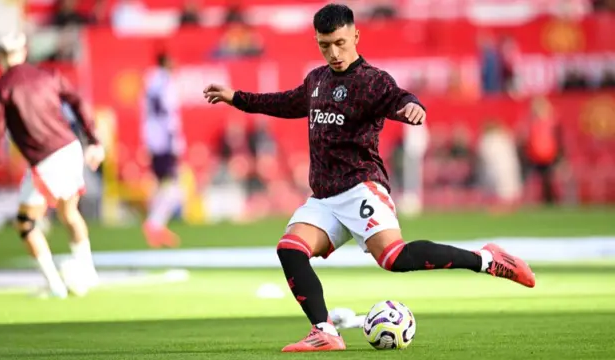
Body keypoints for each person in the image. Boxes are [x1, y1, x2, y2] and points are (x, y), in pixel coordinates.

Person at [203, 4, 535, 352]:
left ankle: (487, 259)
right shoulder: (317, 80)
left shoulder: (371, 81)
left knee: (394, 258)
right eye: (325, 45)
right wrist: (235, 98)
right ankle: (325, 332)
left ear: (356, 36)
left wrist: (413, 105)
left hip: (361, 186)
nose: (333, 52)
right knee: (290, 249)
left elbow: (397, 97)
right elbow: (286, 103)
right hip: (324, 197)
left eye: (340, 43)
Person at [0, 33, 105, 298]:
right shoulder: (48, 75)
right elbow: (79, 102)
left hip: (45, 158)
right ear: (24, 51)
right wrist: (95, 140)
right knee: (69, 212)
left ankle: (54, 284)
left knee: (25, 224)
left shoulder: (2, 86)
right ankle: (88, 271)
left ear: (0, 56)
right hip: (70, 148)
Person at [141, 52, 184, 248]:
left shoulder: (150, 82)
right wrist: (175, 141)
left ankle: (155, 225)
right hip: (164, 140)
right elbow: (168, 114)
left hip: (153, 139)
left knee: (161, 185)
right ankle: (155, 223)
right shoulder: (165, 83)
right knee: (172, 186)